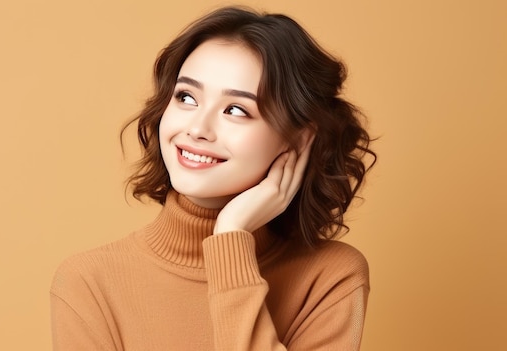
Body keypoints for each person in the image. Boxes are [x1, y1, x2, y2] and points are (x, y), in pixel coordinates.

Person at [50, 6, 376, 351]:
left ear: (298, 141)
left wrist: (231, 237)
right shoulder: (89, 282)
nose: (197, 129)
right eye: (186, 97)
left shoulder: (330, 277)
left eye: (236, 109)